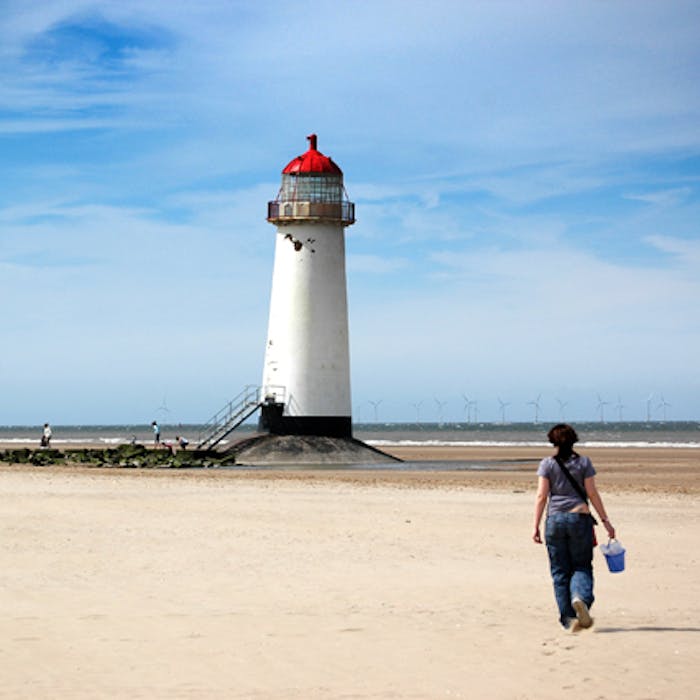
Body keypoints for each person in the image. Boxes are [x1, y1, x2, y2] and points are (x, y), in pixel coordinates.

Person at [532, 423, 616, 632]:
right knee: (581, 566)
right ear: (574, 439)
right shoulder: (584, 462)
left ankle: (568, 620)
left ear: (552, 442)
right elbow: (593, 493)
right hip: (580, 517)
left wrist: (535, 525)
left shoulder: (547, 464)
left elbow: (542, 496)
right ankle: (580, 598)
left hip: (555, 521)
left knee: (560, 571)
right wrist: (606, 521)